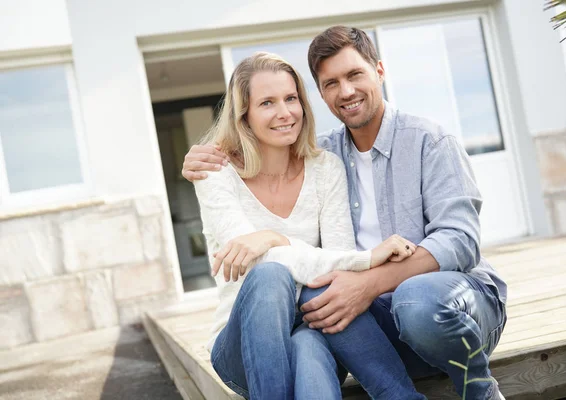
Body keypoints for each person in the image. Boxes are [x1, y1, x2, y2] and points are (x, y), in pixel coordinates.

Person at [183, 26, 508, 400]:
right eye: (331, 83)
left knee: (399, 301)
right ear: (320, 94)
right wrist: (202, 157)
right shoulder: (313, 155)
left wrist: (367, 280)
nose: (346, 91)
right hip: (334, 326)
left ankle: (477, 388)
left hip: (442, 305)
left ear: (379, 72)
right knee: (292, 292)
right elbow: (318, 267)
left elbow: (460, 241)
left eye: (355, 75)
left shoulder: (421, 143)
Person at [194, 51, 428, 399]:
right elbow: (253, 261)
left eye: (291, 99)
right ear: (244, 114)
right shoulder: (216, 173)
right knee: (270, 276)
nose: (284, 112)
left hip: (317, 329)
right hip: (241, 349)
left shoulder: (325, 169)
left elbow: (334, 267)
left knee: (309, 337)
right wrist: (366, 259)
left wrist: (272, 241)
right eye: (267, 103)